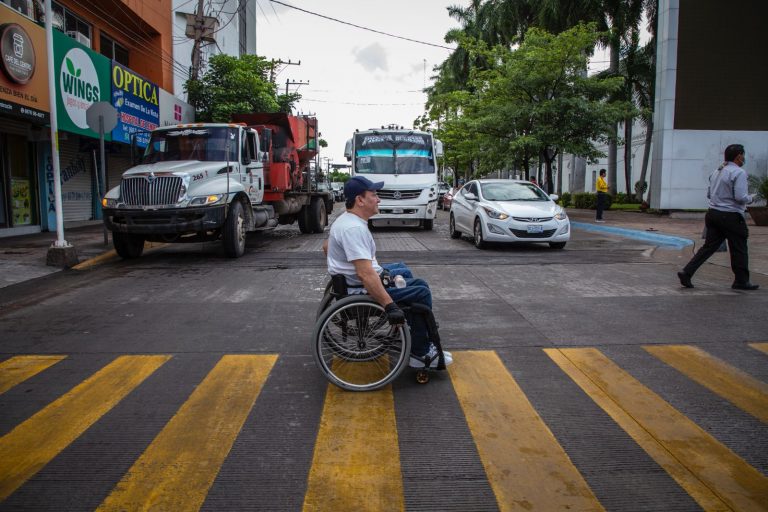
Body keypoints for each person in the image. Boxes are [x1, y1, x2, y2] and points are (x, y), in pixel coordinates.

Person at [324, 176, 452, 368]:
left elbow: (326, 247)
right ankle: (420, 353)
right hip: (359, 289)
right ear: (360, 200)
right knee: (421, 290)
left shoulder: (347, 220)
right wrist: (389, 305)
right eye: (374, 195)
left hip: (352, 282)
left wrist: (342, 266)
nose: (379, 199)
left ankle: (416, 328)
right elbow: (365, 275)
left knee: (403, 269)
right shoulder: (353, 229)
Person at [678, 144, 758, 290]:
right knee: (739, 248)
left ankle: (687, 272)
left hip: (713, 213)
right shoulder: (739, 172)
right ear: (739, 156)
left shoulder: (717, 171)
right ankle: (741, 281)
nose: (744, 158)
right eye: (743, 155)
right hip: (731, 216)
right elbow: (740, 197)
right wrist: (752, 198)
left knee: (708, 247)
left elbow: (709, 194)